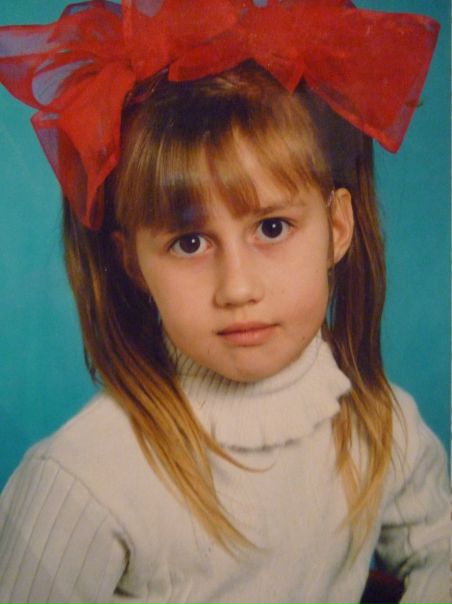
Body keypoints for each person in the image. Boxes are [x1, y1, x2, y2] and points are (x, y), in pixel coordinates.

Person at [0, 1, 448, 603]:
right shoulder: (84, 478)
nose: (237, 289)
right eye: (189, 243)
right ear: (132, 263)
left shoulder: (379, 424)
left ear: (338, 228)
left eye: (272, 228)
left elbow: (441, 549)